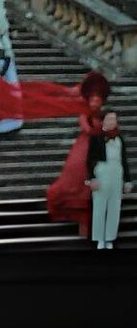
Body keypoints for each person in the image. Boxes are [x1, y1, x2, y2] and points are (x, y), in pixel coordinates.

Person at [47, 70, 111, 233]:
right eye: (93, 99)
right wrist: (101, 129)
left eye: (98, 100)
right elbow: (88, 129)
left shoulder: (103, 115)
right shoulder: (86, 115)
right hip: (85, 148)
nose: (95, 103)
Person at [85, 108, 131, 249]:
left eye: (114, 119)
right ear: (103, 120)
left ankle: (110, 237)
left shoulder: (119, 138)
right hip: (102, 171)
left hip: (116, 173)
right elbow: (89, 159)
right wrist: (92, 178)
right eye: (109, 119)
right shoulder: (96, 137)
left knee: (114, 207)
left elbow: (124, 160)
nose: (112, 121)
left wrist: (127, 180)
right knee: (99, 207)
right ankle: (100, 238)